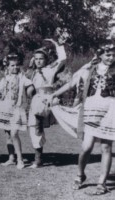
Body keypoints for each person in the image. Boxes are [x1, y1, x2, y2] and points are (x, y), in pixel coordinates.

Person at [49, 41, 115, 195]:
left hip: (111, 111)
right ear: (99, 55)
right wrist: (54, 94)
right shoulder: (89, 70)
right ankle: (80, 174)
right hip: (91, 110)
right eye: (108, 54)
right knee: (86, 147)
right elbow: (72, 83)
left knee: (106, 147)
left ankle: (102, 183)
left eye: (113, 55)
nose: (111, 58)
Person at [0, 53, 33, 169]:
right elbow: (0, 95)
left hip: (17, 108)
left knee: (14, 133)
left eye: (17, 65)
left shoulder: (22, 78)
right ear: (7, 67)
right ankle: (11, 158)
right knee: (8, 135)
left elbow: (30, 87)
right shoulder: (4, 79)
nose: (15, 67)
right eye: (12, 65)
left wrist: (31, 92)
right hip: (6, 107)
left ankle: (20, 159)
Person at [27, 38, 67, 168]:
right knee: (34, 127)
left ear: (46, 59)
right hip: (36, 100)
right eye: (36, 58)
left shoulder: (50, 69)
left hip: (48, 99)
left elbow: (62, 59)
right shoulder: (32, 72)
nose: (38, 61)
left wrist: (57, 44)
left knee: (39, 125)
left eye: (41, 59)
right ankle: (38, 158)